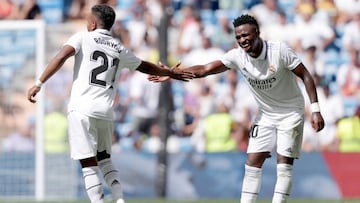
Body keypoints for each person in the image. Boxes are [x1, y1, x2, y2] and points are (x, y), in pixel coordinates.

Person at [149, 14, 325, 203]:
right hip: (266, 114)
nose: (242, 40)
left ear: (257, 32)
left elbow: (305, 75)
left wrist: (315, 109)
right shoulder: (237, 56)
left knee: (283, 166)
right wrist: (173, 73)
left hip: (291, 112)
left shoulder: (279, 50)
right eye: (238, 37)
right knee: (252, 164)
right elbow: (205, 69)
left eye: (246, 35)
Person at [27, 4, 193, 203]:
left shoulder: (82, 37)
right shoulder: (118, 47)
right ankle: (119, 199)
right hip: (105, 112)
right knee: (105, 159)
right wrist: (168, 73)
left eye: (88, 19)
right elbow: (143, 65)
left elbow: (62, 56)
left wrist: (38, 83)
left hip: (82, 109)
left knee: (88, 163)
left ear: (93, 23)